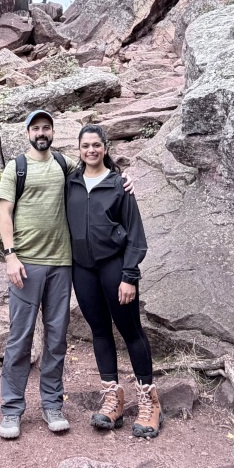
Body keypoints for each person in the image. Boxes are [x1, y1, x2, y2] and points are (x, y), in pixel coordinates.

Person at [64, 124, 159, 438]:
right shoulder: (71, 183)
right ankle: (112, 398)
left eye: (96, 145)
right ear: (79, 150)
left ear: (105, 147)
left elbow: (136, 236)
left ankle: (149, 401)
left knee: (130, 331)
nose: (90, 150)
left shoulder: (119, 185)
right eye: (85, 146)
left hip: (115, 268)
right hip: (83, 270)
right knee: (100, 331)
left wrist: (129, 275)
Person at [0, 109, 74, 439]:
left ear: (53, 132)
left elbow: (95, 175)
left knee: (57, 338)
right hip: (26, 264)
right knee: (20, 338)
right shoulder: (16, 168)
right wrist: (10, 256)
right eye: (36, 128)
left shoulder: (64, 164)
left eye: (47, 128)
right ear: (28, 133)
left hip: (62, 263)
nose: (42, 133)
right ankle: (12, 410)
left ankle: (52, 404)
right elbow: (4, 212)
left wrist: (121, 177)